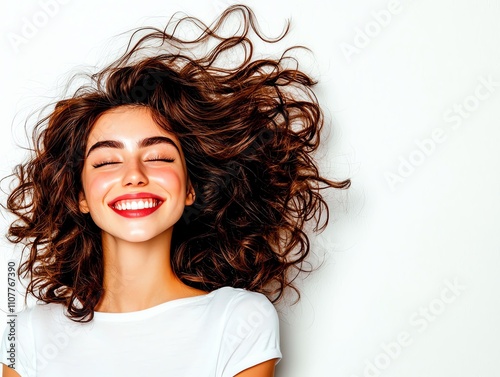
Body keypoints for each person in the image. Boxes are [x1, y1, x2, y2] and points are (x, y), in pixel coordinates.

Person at [1, 4, 350, 377]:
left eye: (159, 157)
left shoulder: (237, 320)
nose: (134, 175)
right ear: (80, 196)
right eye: (106, 162)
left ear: (189, 190)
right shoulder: (27, 335)